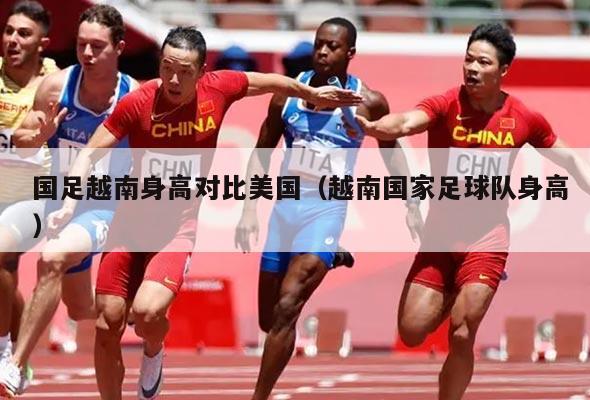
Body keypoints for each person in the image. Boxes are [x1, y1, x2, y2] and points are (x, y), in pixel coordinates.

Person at [42, 26, 361, 400]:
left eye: (185, 71)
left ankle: (153, 350)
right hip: (128, 226)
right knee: (107, 322)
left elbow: (269, 81)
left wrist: (310, 93)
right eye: (167, 68)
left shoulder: (219, 88)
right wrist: (68, 203)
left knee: (147, 313)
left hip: (175, 229)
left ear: (202, 71)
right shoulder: (138, 102)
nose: (174, 80)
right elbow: (88, 153)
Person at [347, 22, 590, 400]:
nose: (472, 68)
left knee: (462, 332)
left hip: (487, 239)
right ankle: (453, 290)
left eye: (483, 62)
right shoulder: (446, 104)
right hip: (440, 236)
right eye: (468, 60)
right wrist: (374, 127)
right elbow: (406, 122)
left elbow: (571, 159)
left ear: (503, 70)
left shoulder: (522, 117)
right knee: (412, 332)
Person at [235, 17, 423, 400]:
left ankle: (259, 397)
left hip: (325, 212)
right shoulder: (286, 96)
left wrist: (411, 202)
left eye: (332, 46)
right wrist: (249, 210)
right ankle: (331, 255)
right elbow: (261, 152)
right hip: (285, 212)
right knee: (269, 320)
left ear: (350, 52)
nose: (322, 51)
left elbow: (391, 153)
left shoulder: (368, 102)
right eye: (319, 43)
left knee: (288, 308)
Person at [0, 4, 137, 398]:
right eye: (80, 45)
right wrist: (38, 137)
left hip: (100, 206)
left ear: (119, 48)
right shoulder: (56, 87)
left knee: (58, 267)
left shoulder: (136, 97)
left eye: (97, 46)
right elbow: (25, 139)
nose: (87, 54)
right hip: (51, 197)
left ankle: (14, 365)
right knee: (5, 247)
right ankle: (13, 358)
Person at [0, 0, 56, 391]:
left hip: (37, 196)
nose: (13, 40)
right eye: (8, 31)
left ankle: (6, 353)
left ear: (42, 44)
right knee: (3, 275)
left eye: (24, 33)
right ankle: (17, 353)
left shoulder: (55, 83)